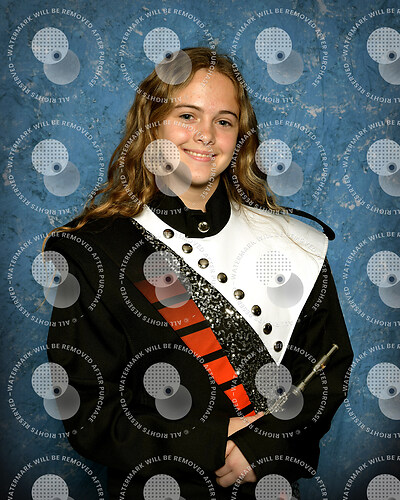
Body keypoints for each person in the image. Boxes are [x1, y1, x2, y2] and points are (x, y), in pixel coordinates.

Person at [44, 47, 353, 500]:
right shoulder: (93, 250)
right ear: (152, 124)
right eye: (187, 115)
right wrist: (210, 442)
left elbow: (327, 366)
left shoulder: (292, 244)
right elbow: (86, 405)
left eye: (224, 121)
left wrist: (266, 445)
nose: (205, 135)